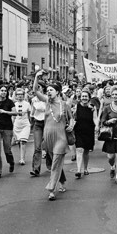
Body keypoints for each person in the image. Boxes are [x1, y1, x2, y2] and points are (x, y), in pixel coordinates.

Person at [33, 70, 73, 201]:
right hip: (48, 136)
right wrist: (36, 77)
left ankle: (51, 189)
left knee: (55, 162)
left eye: (51, 90)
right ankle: (62, 180)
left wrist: (71, 125)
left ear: (58, 92)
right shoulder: (47, 102)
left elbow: (71, 119)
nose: (48, 92)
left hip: (61, 137)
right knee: (54, 161)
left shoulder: (65, 105)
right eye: (48, 90)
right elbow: (36, 92)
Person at [74, 89, 98, 179]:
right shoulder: (77, 106)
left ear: (89, 98)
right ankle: (78, 170)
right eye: (82, 96)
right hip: (79, 130)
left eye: (86, 96)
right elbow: (73, 117)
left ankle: (85, 168)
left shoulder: (92, 107)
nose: (84, 98)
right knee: (79, 149)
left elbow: (95, 118)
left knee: (86, 151)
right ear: (80, 98)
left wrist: (97, 126)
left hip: (89, 130)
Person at [30, 82, 49, 177]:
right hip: (37, 123)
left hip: (47, 123)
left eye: (39, 87)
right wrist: (31, 122)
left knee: (48, 145)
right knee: (37, 147)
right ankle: (36, 169)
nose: (37, 89)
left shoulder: (47, 98)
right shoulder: (33, 99)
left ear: (43, 88)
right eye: (36, 87)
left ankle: (50, 164)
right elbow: (32, 112)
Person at [13, 88, 31, 165]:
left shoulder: (27, 104)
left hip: (25, 124)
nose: (20, 96)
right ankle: (21, 155)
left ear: (24, 95)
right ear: (16, 96)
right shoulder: (14, 104)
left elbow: (30, 114)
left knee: (23, 141)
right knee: (19, 142)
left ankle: (22, 159)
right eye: (18, 95)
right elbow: (13, 116)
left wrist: (30, 122)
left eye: (21, 95)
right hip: (17, 124)